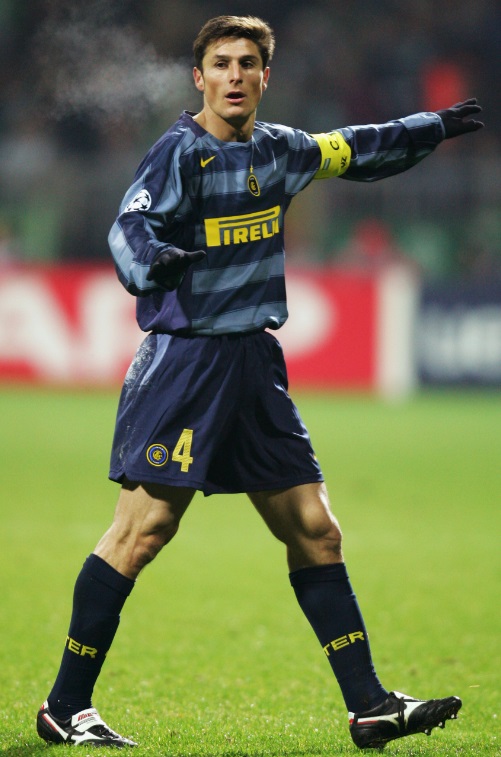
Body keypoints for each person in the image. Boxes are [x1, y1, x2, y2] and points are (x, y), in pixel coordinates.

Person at [37, 15, 483, 751]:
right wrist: (154, 263)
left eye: (248, 62)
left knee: (316, 530)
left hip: (254, 364)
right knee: (141, 532)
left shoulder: (279, 150)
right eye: (221, 63)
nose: (235, 75)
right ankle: (65, 705)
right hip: (186, 364)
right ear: (199, 77)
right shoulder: (178, 152)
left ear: (265, 76)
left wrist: (430, 126)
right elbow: (129, 228)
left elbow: (354, 148)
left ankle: (369, 705)